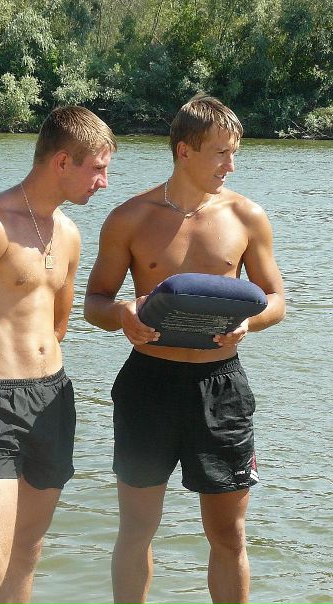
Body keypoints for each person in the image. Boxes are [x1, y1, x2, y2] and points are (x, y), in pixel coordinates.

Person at [84, 93, 285, 604]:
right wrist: (123, 314)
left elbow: (277, 300)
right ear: (184, 151)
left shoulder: (246, 216)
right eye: (220, 153)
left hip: (221, 388)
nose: (230, 165)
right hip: (148, 383)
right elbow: (94, 302)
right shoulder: (130, 217)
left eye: (234, 153)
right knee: (136, 530)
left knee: (228, 535)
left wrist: (249, 323)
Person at [0, 105, 116, 604]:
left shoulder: (69, 233)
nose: (103, 182)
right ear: (62, 162)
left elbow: (58, 325)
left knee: (25, 555)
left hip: (53, 399)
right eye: (97, 169)